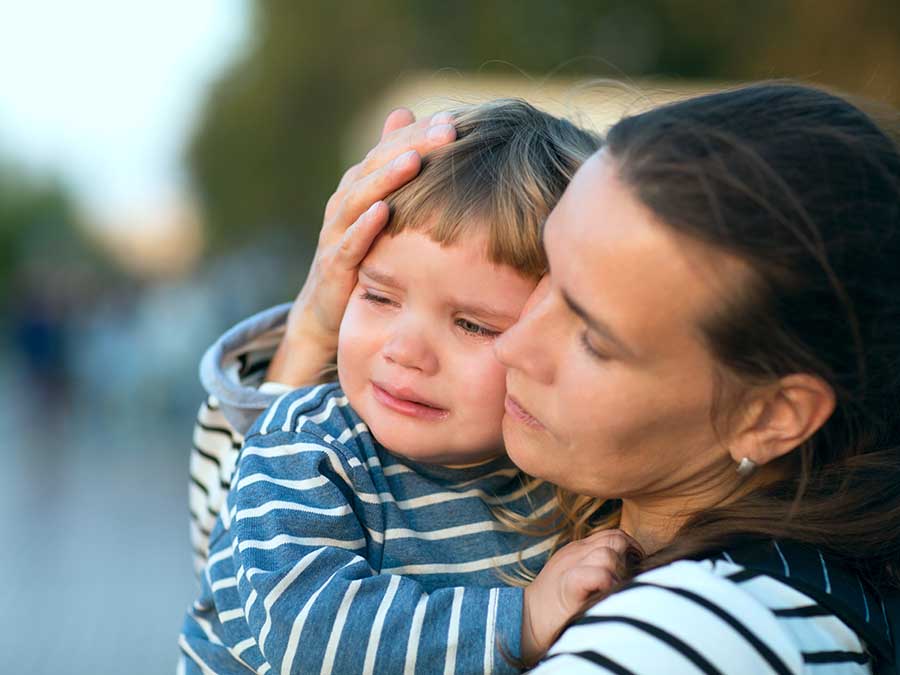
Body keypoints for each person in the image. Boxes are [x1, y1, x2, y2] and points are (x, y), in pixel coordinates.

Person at [187, 82, 900, 674]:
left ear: (769, 415)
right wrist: (312, 329)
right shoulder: (335, 442)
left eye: (477, 324)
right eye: (547, 284)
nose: (518, 345)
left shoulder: (687, 634)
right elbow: (244, 579)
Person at [180, 100, 631, 675]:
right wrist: (523, 620)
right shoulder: (307, 448)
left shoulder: (568, 479)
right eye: (379, 296)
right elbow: (311, 636)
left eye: (473, 325)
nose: (405, 350)